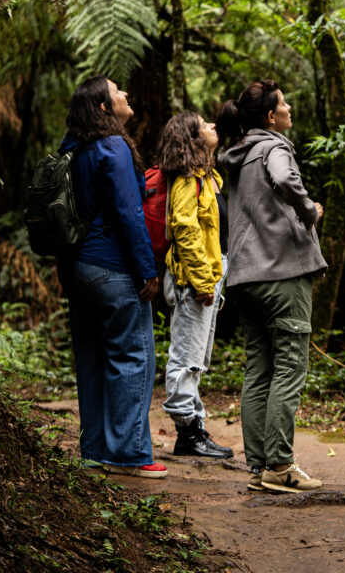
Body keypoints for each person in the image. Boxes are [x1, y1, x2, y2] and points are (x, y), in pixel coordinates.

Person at [217, 79, 326, 494]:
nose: (289, 106)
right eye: (283, 103)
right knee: (289, 367)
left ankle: (261, 466)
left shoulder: (237, 156)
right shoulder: (274, 147)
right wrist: (309, 212)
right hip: (281, 274)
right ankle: (280, 466)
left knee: (258, 369)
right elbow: (284, 179)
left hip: (244, 277)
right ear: (270, 117)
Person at [58, 75, 166, 478]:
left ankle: (95, 451)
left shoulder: (73, 149)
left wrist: (64, 269)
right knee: (132, 355)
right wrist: (146, 267)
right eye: (117, 91)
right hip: (113, 267)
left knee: (91, 358)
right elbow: (127, 212)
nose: (125, 94)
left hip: (79, 269)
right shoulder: (113, 146)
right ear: (105, 108)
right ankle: (128, 454)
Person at [157, 111, 234, 459]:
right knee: (186, 356)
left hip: (209, 278)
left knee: (197, 358)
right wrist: (204, 280)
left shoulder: (209, 177)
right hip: (193, 281)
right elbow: (184, 230)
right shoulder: (188, 181)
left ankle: (195, 428)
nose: (213, 127)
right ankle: (186, 433)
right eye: (205, 126)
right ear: (191, 139)